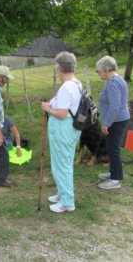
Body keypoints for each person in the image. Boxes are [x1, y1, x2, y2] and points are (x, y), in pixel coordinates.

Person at [41, 52, 82, 213]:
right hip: (69, 129)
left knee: (62, 165)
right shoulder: (76, 83)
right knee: (62, 162)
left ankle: (67, 202)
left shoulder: (67, 86)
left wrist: (48, 108)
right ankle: (62, 193)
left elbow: (62, 113)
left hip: (64, 129)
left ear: (59, 69)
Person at [95, 56, 130, 189]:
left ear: (105, 69)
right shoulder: (117, 80)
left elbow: (115, 106)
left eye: (98, 71)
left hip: (116, 121)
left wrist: (106, 124)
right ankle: (113, 173)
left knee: (113, 149)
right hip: (119, 119)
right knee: (111, 148)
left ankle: (115, 180)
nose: (98, 73)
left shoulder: (113, 83)